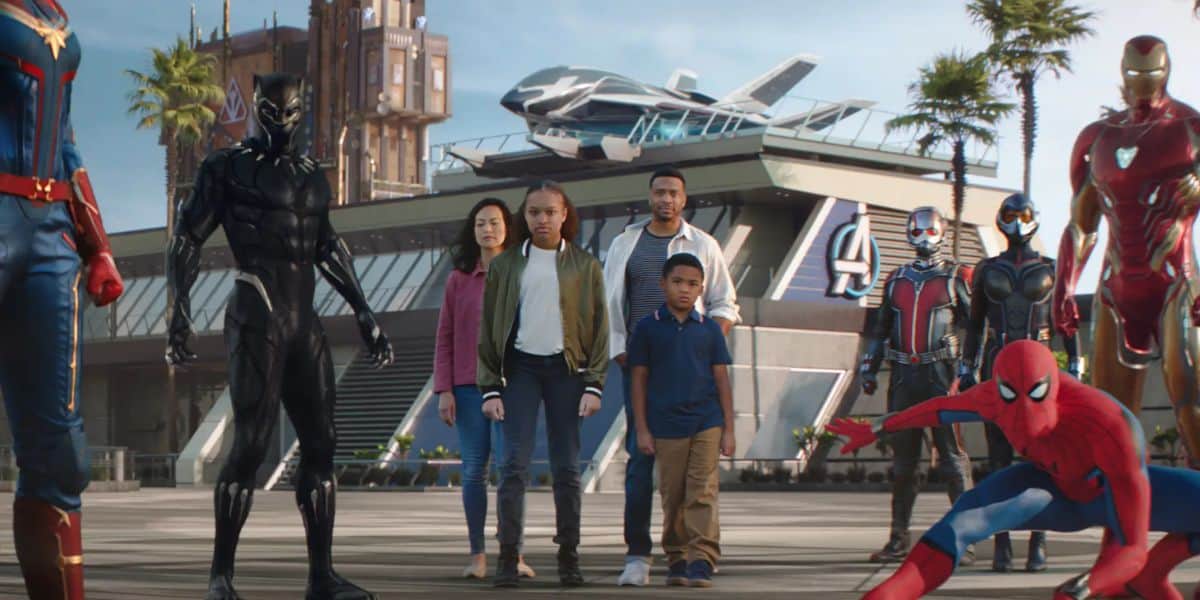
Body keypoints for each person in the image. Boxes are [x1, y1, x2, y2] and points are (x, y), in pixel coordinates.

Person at [166, 73, 393, 600]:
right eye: (272, 112)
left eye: (291, 113)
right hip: (256, 309)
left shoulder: (314, 176)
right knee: (248, 444)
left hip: (303, 317)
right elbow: (187, 239)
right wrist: (179, 312)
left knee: (322, 444)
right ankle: (220, 577)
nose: (282, 123)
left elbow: (327, 246)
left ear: (301, 111)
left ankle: (322, 577)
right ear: (257, 110)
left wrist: (364, 312)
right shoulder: (226, 167)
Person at [829, 340, 1200, 600]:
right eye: (1011, 399)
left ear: (1054, 391)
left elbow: (1132, 547)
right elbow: (939, 408)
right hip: (1050, 493)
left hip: (1112, 495)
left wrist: (1089, 585)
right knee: (960, 522)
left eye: (1035, 397)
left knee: (1138, 569)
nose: (1022, 416)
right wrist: (877, 427)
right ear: (999, 390)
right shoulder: (990, 396)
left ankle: (1152, 579)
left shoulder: (1108, 424)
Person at [0, 1, 125, 597]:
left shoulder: (53, 15)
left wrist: (95, 241)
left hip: (49, 230)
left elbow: (65, 140)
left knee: (60, 454)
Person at [1052, 35, 1200, 467]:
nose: (1143, 85)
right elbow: (1082, 222)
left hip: (1177, 283)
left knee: (1190, 400)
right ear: (1122, 74)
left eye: (1151, 76)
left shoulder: (1190, 130)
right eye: (1135, 76)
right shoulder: (1098, 138)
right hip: (1116, 286)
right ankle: (1121, 511)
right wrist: (1065, 284)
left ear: (1166, 72)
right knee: (1109, 416)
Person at [604, 167, 740, 587]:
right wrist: (620, 350)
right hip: (640, 367)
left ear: (684, 199)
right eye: (660, 192)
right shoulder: (626, 242)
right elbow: (608, 303)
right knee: (641, 464)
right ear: (650, 196)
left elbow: (725, 303)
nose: (666, 199)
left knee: (695, 480)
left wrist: (698, 346)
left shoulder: (704, 244)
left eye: (674, 193)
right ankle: (638, 553)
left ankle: (692, 555)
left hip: (693, 376)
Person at [478, 180, 609, 588]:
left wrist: (595, 384)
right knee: (512, 467)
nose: (542, 219)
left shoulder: (585, 265)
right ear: (525, 216)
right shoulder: (505, 266)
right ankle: (507, 558)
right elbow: (488, 329)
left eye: (551, 211)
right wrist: (489, 387)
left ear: (564, 215)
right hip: (520, 372)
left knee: (567, 468)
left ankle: (569, 557)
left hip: (567, 372)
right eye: (534, 212)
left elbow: (600, 327)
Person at [960, 193, 1078, 572]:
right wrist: (966, 366)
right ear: (999, 219)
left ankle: (1038, 541)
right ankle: (1001, 544)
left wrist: (1075, 361)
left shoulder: (1050, 267)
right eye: (1010, 214)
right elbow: (975, 324)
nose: (1016, 221)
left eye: (1023, 213)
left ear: (1034, 218)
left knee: (1042, 459)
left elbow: (1066, 319)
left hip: (1039, 364)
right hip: (999, 362)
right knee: (998, 461)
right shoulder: (987, 269)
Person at [859, 206, 975, 565]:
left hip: (942, 375)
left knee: (953, 461)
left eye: (931, 230)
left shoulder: (957, 277)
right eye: (917, 230)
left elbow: (976, 325)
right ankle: (898, 539)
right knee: (904, 464)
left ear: (941, 232)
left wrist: (971, 368)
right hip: (904, 378)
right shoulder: (896, 279)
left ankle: (965, 540)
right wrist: (869, 364)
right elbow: (879, 329)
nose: (924, 237)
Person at [433, 198, 533, 580]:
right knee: (475, 471)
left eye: (493, 222)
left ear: (507, 227)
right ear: (472, 231)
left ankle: (514, 553)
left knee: (512, 472)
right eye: (480, 224)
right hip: (467, 387)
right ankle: (477, 553)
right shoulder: (459, 279)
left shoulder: (524, 273)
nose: (487, 229)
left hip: (512, 387)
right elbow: (445, 336)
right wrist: (444, 389)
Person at [629, 253, 735, 588]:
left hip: (706, 421)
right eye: (677, 282)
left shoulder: (709, 330)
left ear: (702, 288)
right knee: (672, 494)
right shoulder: (647, 328)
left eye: (692, 284)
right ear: (663, 284)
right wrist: (642, 429)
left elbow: (722, 381)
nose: (685, 290)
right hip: (664, 426)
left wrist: (729, 429)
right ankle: (676, 556)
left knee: (702, 491)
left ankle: (701, 558)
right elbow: (638, 381)